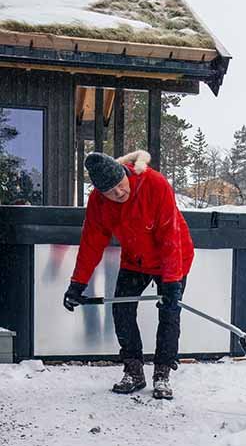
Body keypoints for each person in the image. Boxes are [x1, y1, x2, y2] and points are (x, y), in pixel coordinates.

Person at [62, 150, 194, 400]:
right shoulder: (98, 202)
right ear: (101, 193)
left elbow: (170, 235)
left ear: (125, 173)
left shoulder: (155, 184)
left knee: (169, 312)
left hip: (174, 256)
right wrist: (77, 284)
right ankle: (133, 371)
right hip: (135, 260)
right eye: (111, 192)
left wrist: (172, 283)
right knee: (121, 310)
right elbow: (91, 242)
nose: (119, 193)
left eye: (121, 186)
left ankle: (162, 373)